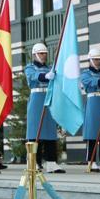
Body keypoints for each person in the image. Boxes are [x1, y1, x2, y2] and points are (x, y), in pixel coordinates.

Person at [24, 43, 65, 173]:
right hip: (36, 99)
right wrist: (46, 76)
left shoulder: (49, 68)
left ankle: (51, 162)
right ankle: (34, 162)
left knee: (49, 131)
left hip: (48, 99)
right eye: (41, 53)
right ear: (35, 54)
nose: (43, 55)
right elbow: (33, 76)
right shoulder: (30, 67)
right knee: (34, 131)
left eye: (45, 53)